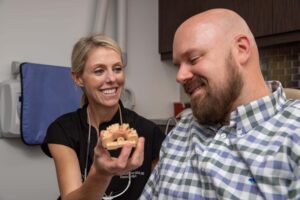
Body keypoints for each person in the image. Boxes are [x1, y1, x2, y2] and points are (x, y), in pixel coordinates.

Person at [140, 8, 300, 199]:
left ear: (241, 49)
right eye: (178, 65)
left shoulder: (294, 135)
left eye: (193, 59)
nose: (180, 76)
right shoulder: (179, 134)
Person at [41, 33, 165, 200]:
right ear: (78, 78)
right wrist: (100, 174)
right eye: (99, 71)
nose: (112, 78)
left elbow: (163, 193)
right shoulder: (63, 130)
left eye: (117, 69)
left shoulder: (149, 132)